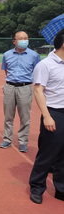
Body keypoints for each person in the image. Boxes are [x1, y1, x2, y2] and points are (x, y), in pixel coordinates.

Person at [29, 28, 64, 204]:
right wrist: (47, 116)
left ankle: (61, 189)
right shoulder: (45, 65)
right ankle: (36, 187)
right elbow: (38, 90)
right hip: (54, 112)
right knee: (47, 153)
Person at [0, 31, 41, 152]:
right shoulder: (7, 55)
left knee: (25, 116)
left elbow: (37, 71)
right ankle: (7, 139)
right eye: (21, 38)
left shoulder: (34, 55)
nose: (24, 40)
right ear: (14, 41)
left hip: (25, 87)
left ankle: (23, 141)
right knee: (8, 115)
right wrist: (10, 82)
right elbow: (6, 70)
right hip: (10, 87)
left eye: (26, 38)